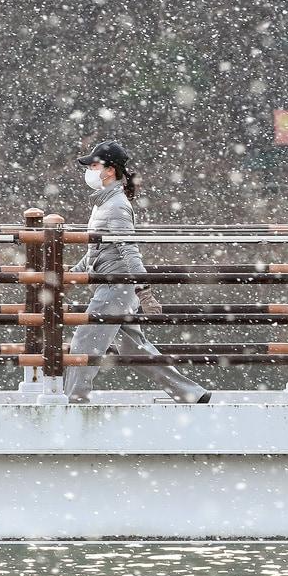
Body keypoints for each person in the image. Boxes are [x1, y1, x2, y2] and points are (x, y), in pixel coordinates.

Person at [62, 139, 212, 404]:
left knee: (84, 343)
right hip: (113, 285)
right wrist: (71, 275)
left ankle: (73, 401)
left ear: (109, 170)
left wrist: (144, 291)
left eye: (93, 165)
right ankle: (191, 394)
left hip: (116, 287)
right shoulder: (103, 203)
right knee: (135, 348)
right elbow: (96, 251)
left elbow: (129, 250)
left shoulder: (116, 205)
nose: (89, 171)